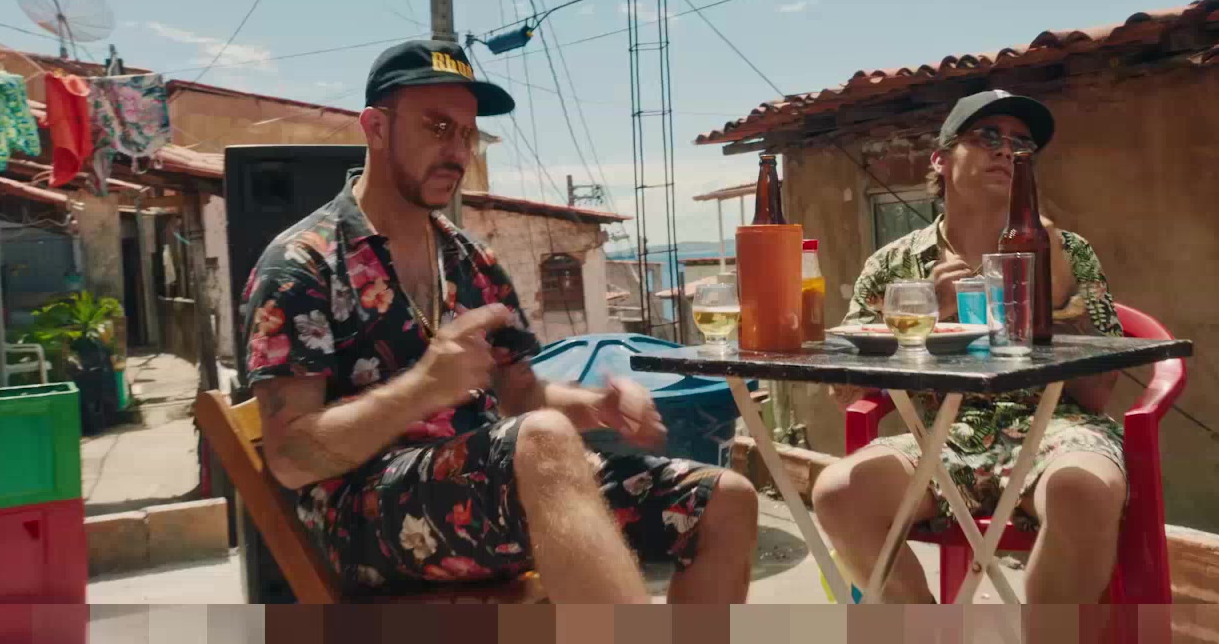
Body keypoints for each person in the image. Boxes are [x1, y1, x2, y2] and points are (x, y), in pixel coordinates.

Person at [239, 40, 757, 604]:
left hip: (498, 485)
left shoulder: (470, 262)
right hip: (365, 520)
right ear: (376, 127)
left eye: (467, 134)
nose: (456, 151)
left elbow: (521, 395)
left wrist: (598, 407)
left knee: (725, 502)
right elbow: (289, 458)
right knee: (542, 441)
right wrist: (423, 388)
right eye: (437, 127)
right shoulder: (302, 265)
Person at [811, 91, 1126, 611]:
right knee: (837, 492)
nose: (1006, 151)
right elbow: (843, 393)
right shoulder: (894, 264)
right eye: (988, 137)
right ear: (940, 158)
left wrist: (1058, 294)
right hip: (941, 439)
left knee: (1082, 488)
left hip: (1061, 431)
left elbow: (1098, 393)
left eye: (1022, 144)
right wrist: (925, 317)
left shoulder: (1067, 251)